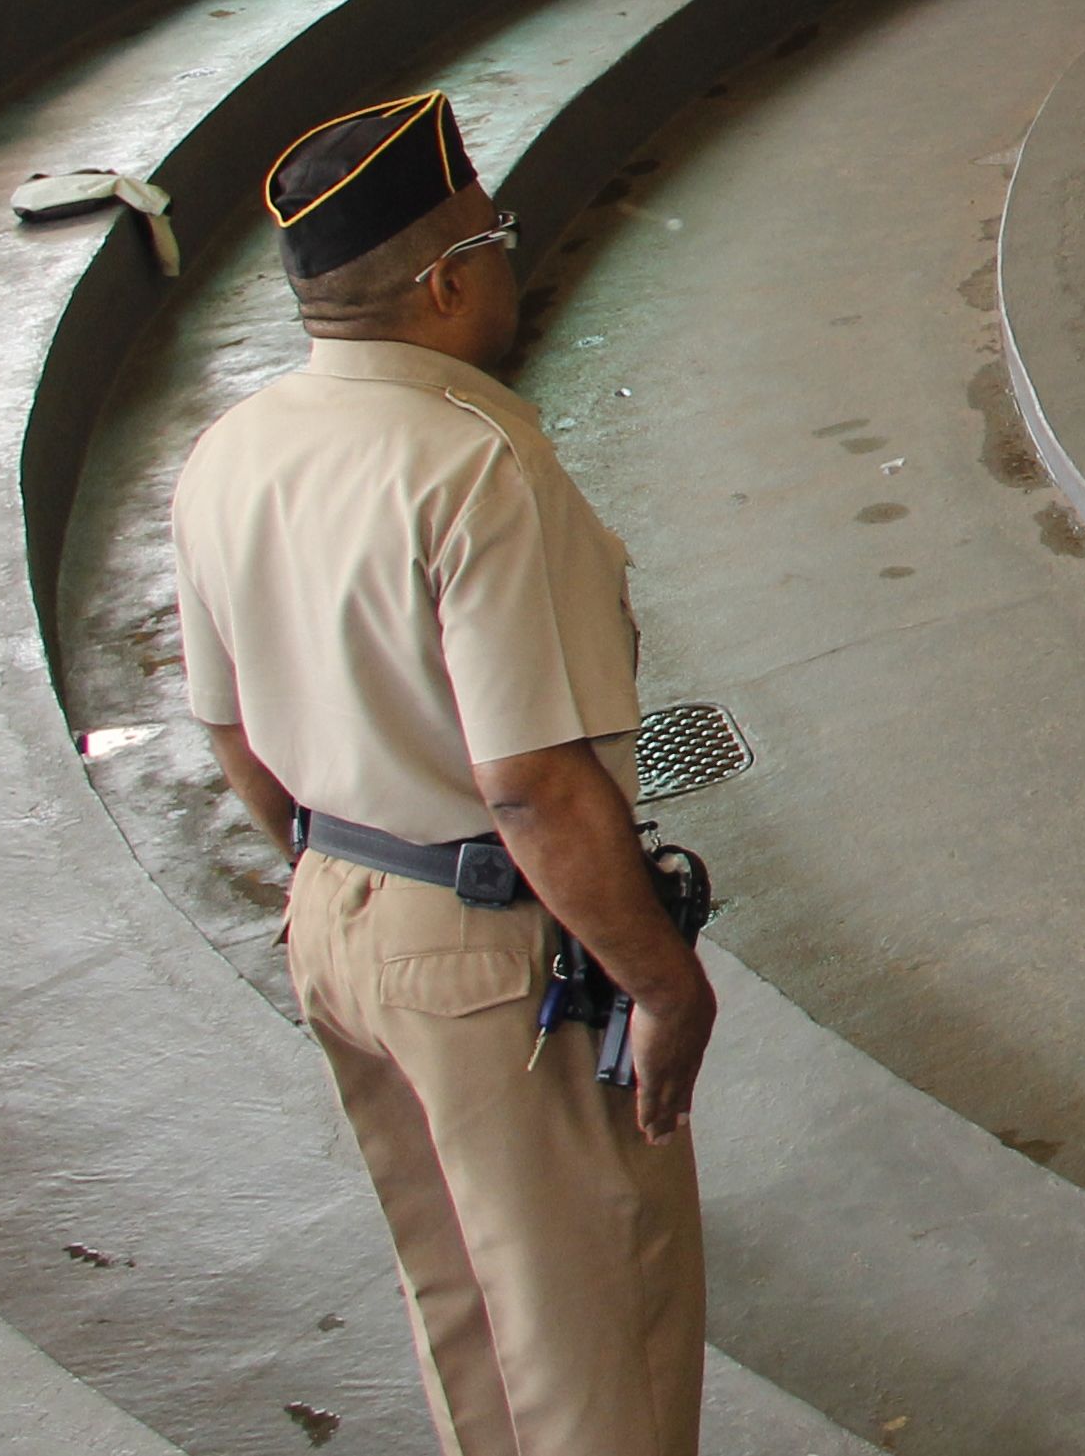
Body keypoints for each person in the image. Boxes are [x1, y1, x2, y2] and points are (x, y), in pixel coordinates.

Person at [177, 94, 711, 1456]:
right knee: (598, 1334)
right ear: (447, 280)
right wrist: (661, 982)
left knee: (466, 1306)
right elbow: (532, 781)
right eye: (496, 236)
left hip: (335, 912)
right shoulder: (476, 462)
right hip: (487, 949)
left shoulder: (230, 450)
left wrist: (341, 874)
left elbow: (232, 733)